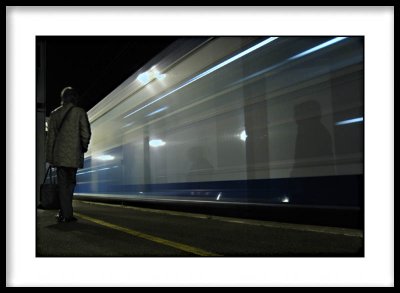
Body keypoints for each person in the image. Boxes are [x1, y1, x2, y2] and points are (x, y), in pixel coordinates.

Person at [45, 86, 91, 223]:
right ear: (74, 98)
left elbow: (50, 139)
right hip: (74, 155)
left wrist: (50, 158)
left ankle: (65, 213)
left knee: (63, 185)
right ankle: (66, 213)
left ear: (62, 99)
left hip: (60, 156)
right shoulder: (80, 112)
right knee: (70, 184)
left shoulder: (54, 114)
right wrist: (84, 146)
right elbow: (86, 133)